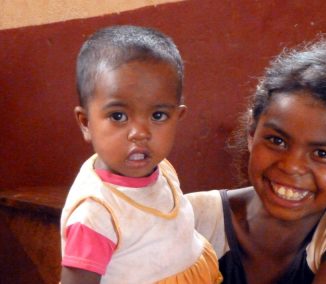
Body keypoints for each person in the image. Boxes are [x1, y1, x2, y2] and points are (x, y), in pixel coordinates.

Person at [187, 34, 326, 284]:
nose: (292, 166)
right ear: (252, 133)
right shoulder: (195, 216)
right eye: (277, 141)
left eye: (322, 154)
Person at [60, 25, 222, 284]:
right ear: (85, 122)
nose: (139, 133)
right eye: (118, 116)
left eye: (158, 116)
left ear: (177, 118)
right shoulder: (96, 213)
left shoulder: (163, 167)